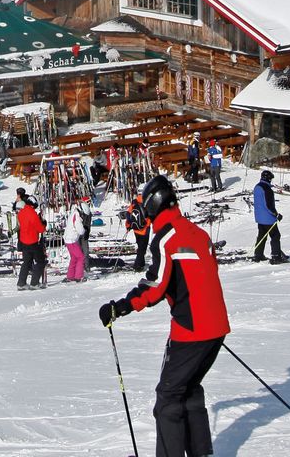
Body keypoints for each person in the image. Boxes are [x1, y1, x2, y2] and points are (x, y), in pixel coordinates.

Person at [97, 175, 229, 457]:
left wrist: (119, 307)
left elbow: (155, 286)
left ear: (153, 205)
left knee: (168, 399)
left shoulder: (166, 236)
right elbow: (203, 276)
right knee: (189, 389)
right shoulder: (198, 232)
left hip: (192, 330)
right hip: (214, 327)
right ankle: (200, 452)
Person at [252, 170, 288, 264]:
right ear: (268, 178)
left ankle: (258, 255)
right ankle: (276, 256)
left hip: (259, 217)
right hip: (268, 218)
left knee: (262, 236)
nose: (271, 181)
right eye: (270, 179)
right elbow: (269, 205)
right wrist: (276, 214)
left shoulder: (257, 187)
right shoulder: (267, 189)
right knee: (275, 236)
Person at [16, 199, 47, 290]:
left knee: (27, 262)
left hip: (23, 241)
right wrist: (43, 224)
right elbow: (40, 229)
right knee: (40, 261)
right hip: (32, 241)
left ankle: (21, 283)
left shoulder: (21, 212)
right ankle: (34, 282)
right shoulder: (32, 214)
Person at [124, 196, 151, 276]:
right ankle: (137, 265)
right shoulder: (148, 203)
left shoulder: (134, 203)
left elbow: (128, 215)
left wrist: (128, 226)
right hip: (144, 229)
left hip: (136, 229)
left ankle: (141, 263)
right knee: (142, 248)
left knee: (140, 247)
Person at [64, 200, 88, 282]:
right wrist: (85, 230)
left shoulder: (73, 213)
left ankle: (70, 276)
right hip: (72, 240)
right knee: (81, 257)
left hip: (68, 239)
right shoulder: (77, 216)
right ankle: (78, 276)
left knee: (74, 258)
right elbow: (80, 230)